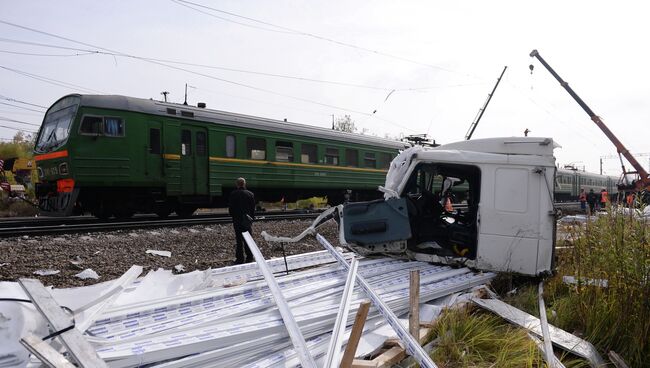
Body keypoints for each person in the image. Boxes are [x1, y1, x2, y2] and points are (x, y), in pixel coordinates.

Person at [228, 177, 256, 264]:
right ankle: (249, 257)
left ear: (237, 185)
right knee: (248, 239)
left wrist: (233, 216)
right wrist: (251, 218)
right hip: (247, 220)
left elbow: (231, 209)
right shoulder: (250, 194)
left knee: (239, 240)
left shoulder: (233, 194)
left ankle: (240, 258)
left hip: (237, 219)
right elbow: (253, 209)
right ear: (244, 184)